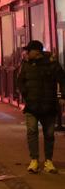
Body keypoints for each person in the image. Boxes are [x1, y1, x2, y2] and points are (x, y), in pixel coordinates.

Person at [16, 40, 64, 174]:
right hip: (32, 105)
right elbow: (19, 80)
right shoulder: (26, 64)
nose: (26, 53)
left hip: (48, 105)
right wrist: (24, 92)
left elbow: (62, 79)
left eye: (28, 51)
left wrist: (62, 97)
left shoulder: (52, 64)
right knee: (32, 132)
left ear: (36, 52)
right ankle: (34, 160)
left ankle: (48, 161)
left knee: (49, 135)